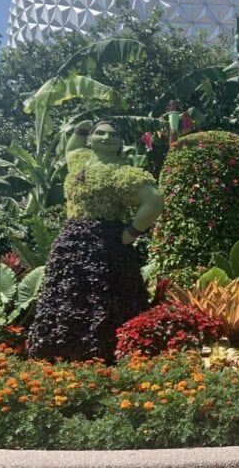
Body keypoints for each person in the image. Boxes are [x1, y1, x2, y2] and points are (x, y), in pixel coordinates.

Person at [27, 120, 164, 362]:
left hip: (107, 243)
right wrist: (81, 129)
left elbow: (154, 202)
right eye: (99, 133)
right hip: (71, 242)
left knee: (106, 298)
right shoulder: (79, 160)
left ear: (121, 142)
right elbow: (70, 149)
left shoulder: (126, 173)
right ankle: (59, 354)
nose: (105, 137)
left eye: (113, 134)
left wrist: (132, 232)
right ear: (90, 140)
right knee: (66, 294)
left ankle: (108, 356)